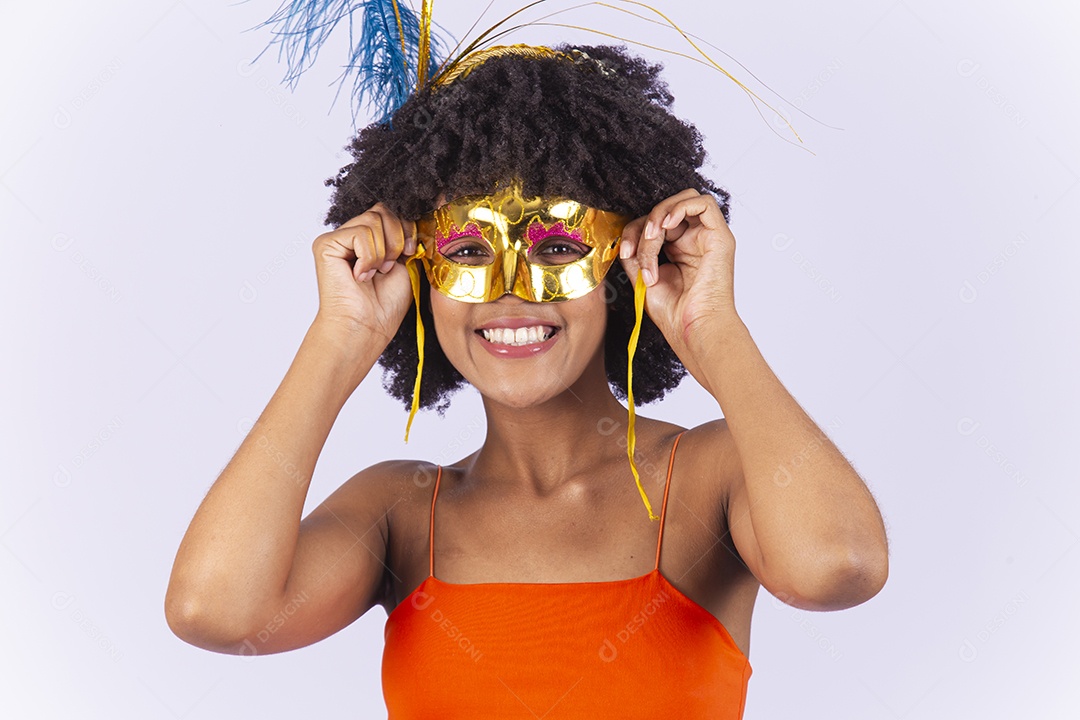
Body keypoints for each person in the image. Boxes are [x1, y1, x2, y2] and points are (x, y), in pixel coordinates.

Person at [166, 6, 889, 717]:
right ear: (419, 276)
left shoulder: (710, 477)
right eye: (468, 252)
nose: (512, 290)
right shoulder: (400, 511)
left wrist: (713, 327)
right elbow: (214, 612)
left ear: (620, 266)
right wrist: (340, 338)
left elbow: (837, 567)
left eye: (557, 248)